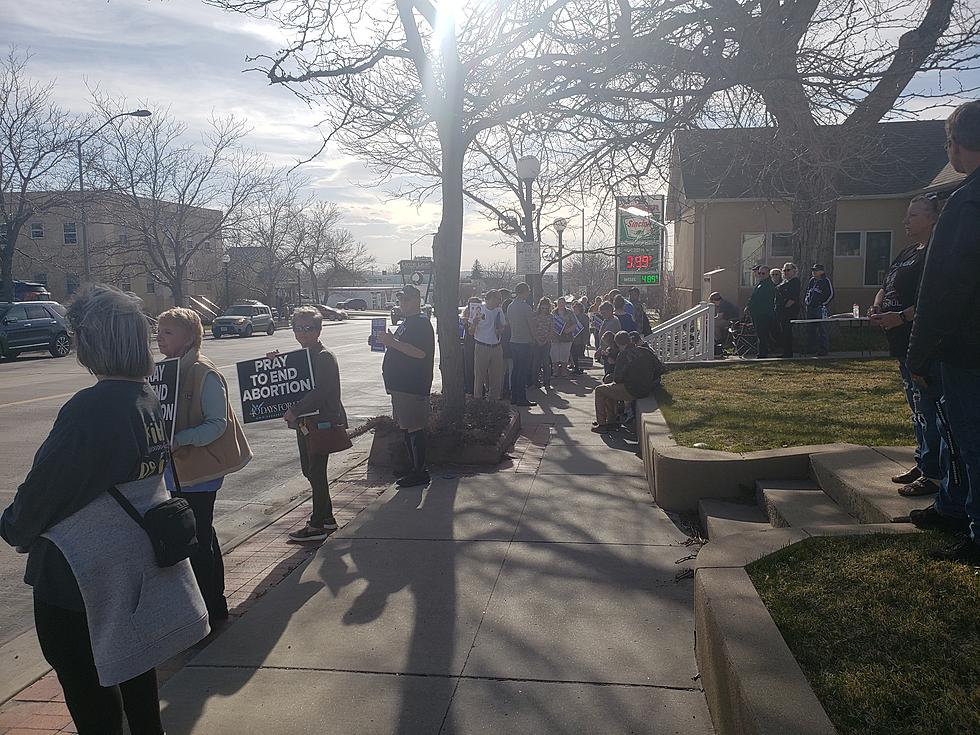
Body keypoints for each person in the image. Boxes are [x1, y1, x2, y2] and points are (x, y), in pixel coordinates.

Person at [1, 285, 209, 735]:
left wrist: (13, 527)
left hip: (79, 578)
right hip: (135, 569)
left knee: (89, 695)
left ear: (93, 342)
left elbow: (43, 494)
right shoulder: (147, 398)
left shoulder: (91, 408)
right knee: (137, 680)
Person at [906, 100, 980, 564]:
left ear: (956, 144)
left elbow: (942, 290)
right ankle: (955, 507)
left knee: (969, 441)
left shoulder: (966, 203)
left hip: (966, 353)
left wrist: (918, 355)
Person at [157, 307, 252, 620]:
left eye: (168, 332)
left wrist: (181, 439)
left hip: (201, 472)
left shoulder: (203, 371)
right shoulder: (167, 370)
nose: (160, 338)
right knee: (202, 534)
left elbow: (217, 424)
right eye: (159, 331)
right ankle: (211, 605)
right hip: (177, 472)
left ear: (189, 337)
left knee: (196, 541)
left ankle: (209, 607)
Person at [869, 196, 941, 498]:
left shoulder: (936, 253)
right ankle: (923, 461)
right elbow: (887, 283)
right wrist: (877, 306)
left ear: (932, 219)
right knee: (916, 408)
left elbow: (932, 298)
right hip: (900, 345)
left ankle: (935, 474)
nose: (906, 221)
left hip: (921, 341)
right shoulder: (908, 252)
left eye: (913, 215)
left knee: (928, 405)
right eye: (906, 215)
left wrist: (900, 316)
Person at [284, 307, 349, 540]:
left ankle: (317, 525)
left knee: (315, 472)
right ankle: (327, 519)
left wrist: (295, 410)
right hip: (306, 423)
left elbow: (320, 391)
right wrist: (275, 363)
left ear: (319, 330)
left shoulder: (323, 356)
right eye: (298, 328)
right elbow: (287, 381)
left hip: (320, 423)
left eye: (308, 328)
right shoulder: (302, 356)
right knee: (311, 471)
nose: (303, 333)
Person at [376, 285, 435, 487]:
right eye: (401, 300)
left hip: (412, 385)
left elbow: (420, 353)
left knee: (414, 427)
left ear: (417, 300)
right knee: (406, 426)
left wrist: (392, 342)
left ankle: (420, 471)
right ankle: (413, 466)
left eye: (407, 300)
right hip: (400, 385)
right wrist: (385, 341)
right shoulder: (408, 322)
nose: (403, 304)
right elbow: (400, 346)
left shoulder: (421, 323)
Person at [592, 331, 658, 433]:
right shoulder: (645, 350)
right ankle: (611, 420)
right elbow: (660, 368)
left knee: (600, 390)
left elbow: (617, 379)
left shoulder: (623, 355)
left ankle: (602, 424)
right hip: (646, 388)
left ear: (618, 343)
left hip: (632, 389)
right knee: (608, 387)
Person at [506, 282, 537, 407]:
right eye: (528, 291)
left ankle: (514, 396)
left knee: (515, 370)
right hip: (524, 342)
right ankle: (522, 398)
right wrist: (535, 338)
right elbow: (531, 325)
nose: (529, 293)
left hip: (513, 341)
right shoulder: (526, 307)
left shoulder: (510, 306)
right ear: (523, 292)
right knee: (523, 371)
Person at [471, 289, 506, 400]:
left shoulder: (499, 311)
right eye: (497, 298)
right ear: (490, 299)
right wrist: (474, 324)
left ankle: (493, 401)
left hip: (496, 346)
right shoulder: (479, 310)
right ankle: (477, 400)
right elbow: (471, 332)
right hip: (482, 346)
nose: (500, 301)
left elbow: (503, 327)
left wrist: (500, 330)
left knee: (496, 377)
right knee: (480, 376)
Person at [745, 264, 776, 358]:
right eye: (759, 273)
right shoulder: (760, 284)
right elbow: (753, 297)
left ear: (768, 274)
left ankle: (763, 353)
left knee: (762, 333)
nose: (760, 275)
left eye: (763, 273)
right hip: (756, 313)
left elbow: (761, 299)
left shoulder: (769, 285)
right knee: (759, 333)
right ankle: (762, 351)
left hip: (763, 313)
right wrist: (748, 307)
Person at [804, 263, 834, 355]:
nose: (814, 272)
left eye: (816, 270)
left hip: (820, 308)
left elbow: (831, 294)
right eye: (813, 270)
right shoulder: (812, 281)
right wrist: (807, 302)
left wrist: (823, 304)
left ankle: (823, 349)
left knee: (822, 329)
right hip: (810, 308)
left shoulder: (825, 281)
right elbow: (808, 292)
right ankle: (811, 348)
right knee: (811, 329)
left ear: (822, 271)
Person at [775, 263, 801, 358]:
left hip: (789, 311)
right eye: (784, 270)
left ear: (794, 271)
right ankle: (785, 351)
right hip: (780, 310)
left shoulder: (794, 282)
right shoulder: (784, 282)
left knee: (787, 332)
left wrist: (785, 309)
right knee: (783, 332)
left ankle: (788, 352)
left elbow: (793, 298)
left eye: (788, 270)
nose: (785, 272)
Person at [531, 297, 554, 389]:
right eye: (542, 308)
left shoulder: (551, 317)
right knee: (536, 362)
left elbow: (551, 330)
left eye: (546, 308)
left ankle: (547, 382)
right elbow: (533, 329)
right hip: (536, 341)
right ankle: (535, 381)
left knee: (546, 362)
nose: (544, 310)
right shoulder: (535, 316)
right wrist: (537, 339)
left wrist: (545, 340)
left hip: (546, 342)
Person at [551, 299, 575, 379]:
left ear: (565, 303)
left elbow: (575, 323)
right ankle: (555, 372)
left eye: (562, 303)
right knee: (555, 355)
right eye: (559, 303)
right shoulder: (553, 312)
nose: (561, 304)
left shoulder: (570, 312)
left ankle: (564, 372)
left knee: (564, 355)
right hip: (555, 337)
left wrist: (568, 330)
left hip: (566, 337)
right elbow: (550, 323)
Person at [569, 301, 589, 374]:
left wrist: (586, 339)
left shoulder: (584, 317)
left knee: (580, 354)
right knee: (574, 353)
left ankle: (580, 368)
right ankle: (576, 367)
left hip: (581, 339)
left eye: (576, 308)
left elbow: (586, 329)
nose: (575, 310)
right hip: (573, 339)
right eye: (574, 308)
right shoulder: (573, 316)